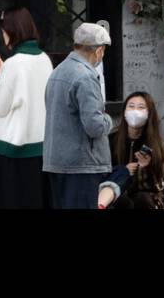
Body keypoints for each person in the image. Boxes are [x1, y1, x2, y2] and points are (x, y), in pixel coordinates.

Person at [0, 6, 53, 208]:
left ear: (11, 32)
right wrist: (3, 70)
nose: (3, 36)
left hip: (11, 153)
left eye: (3, 31)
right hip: (40, 150)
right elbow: (28, 91)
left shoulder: (14, 64)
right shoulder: (44, 59)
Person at [42, 21, 114, 208]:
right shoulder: (85, 76)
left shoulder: (57, 71)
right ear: (98, 51)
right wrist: (109, 120)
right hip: (81, 164)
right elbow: (95, 126)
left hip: (56, 161)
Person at [98, 91, 164, 209]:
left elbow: (160, 185)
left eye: (141, 108)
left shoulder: (157, 144)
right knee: (121, 200)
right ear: (124, 112)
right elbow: (101, 174)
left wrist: (144, 169)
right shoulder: (110, 140)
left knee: (143, 199)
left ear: (149, 114)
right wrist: (123, 172)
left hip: (146, 197)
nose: (135, 111)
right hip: (117, 193)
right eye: (131, 106)